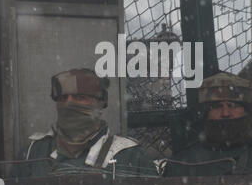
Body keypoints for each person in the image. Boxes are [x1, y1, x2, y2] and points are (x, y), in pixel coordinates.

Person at [11, 68, 158, 178]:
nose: (69, 104)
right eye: (62, 98)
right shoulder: (33, 153)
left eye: (79, 97)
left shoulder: (129, 155)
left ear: (100, 103)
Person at [163, 72, 252, 177]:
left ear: (246, 112)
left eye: (233, 105)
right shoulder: (182, 164)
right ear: (205, 113)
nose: (225, 113)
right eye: (217, 106)